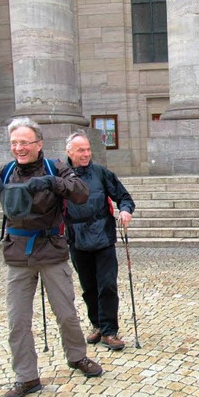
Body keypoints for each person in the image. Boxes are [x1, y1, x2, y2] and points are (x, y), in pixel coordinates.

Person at [0, 117, 103, 397]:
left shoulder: (56, 167)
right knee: (18, 320)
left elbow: (81, 193)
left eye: (24, 143)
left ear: (38, 144)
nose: (19, 148)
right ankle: (26, 376)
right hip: (17, 253)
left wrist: (54, 183)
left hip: (51, 249)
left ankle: (77, 357)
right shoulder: (5, 172)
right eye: (14, 143)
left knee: (66, 313)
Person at [64, 131, 136, 350]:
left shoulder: (100, 173)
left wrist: (125, 210)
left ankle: (109, 331)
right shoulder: (62, 175)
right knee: (88, 286)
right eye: (81, 150)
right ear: (69, 152)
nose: (86, 154)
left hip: (103, 235)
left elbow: (124, 197)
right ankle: (96, 325)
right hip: (76, 237)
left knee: (107, 285)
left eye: (88, 149)